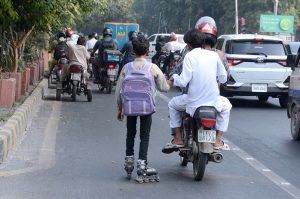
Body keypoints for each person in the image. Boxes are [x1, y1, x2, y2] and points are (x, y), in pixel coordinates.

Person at [162, 28, 232, 154]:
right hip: (214, 101)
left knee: (172, 104)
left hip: (193, 102)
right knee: (227, 106)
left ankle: (178, 138)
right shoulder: (214, 55)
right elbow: (223, 78)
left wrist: (174, 78)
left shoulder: (189, 56)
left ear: (188, 44)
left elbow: (183, 81)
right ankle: (217, 140)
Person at [115, 35, 169, 181]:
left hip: (130, 107)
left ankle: (128, 162)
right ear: (147, 51)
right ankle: (142, 164)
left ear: (133, 50)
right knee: (145, 135)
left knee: (130, 133)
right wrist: (168, 81)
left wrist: (120, 108)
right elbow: (164, 88)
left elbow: (118, 90)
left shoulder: (127, 67)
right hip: (147, 108)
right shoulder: (153, 67)